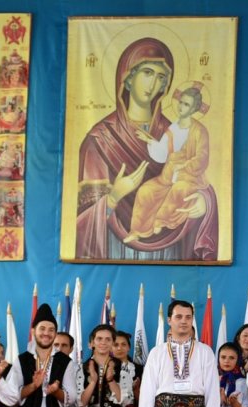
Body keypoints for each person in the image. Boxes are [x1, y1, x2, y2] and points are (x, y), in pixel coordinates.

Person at [74, 38, 218, 261]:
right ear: (128, 78)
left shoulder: (177, 130)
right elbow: (84, 218)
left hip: (170, 247)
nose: (153, 83)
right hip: (115, 249)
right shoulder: (100, 139)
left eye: (161, 77)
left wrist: (204, 201)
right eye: (147, 73)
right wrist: (114, 196)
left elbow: (200, 174)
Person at [126, 84, 212, 244]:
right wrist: (150, 141)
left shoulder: (199, 131)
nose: (181, 106)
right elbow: (163, 153)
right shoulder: (173, 128)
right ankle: (137, 231)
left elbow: (203, 157)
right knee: (145, 190)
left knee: (178, 190)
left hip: (188, 178)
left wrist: (185, 165)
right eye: (181, 102)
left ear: (194, 108)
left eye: (186, 104)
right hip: (167, 176)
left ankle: (159, 222)